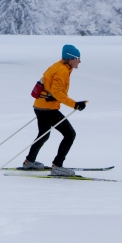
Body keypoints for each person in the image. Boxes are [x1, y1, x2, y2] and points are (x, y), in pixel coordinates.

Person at [23, 44, 87, 177]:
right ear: (70, 58)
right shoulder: (62, 70)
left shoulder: (59, 66)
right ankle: (57, 166)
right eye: (78, 58)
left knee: (44, 133)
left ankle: (29, 161)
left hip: (39, 106)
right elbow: (57, 92)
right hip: (48, 109)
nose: (79, 61)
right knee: (70, 134)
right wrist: (75, 104)